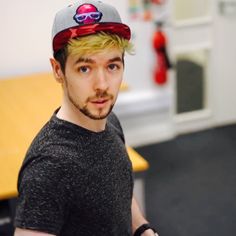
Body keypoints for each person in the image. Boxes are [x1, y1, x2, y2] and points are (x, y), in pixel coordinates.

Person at [14, 0, 159, 235]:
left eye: (112, 66)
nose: (102, 85)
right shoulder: (49, 168)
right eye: (84, 68)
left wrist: (141, 228)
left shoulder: (109, 122)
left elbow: (119, 188)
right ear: (58, 70)